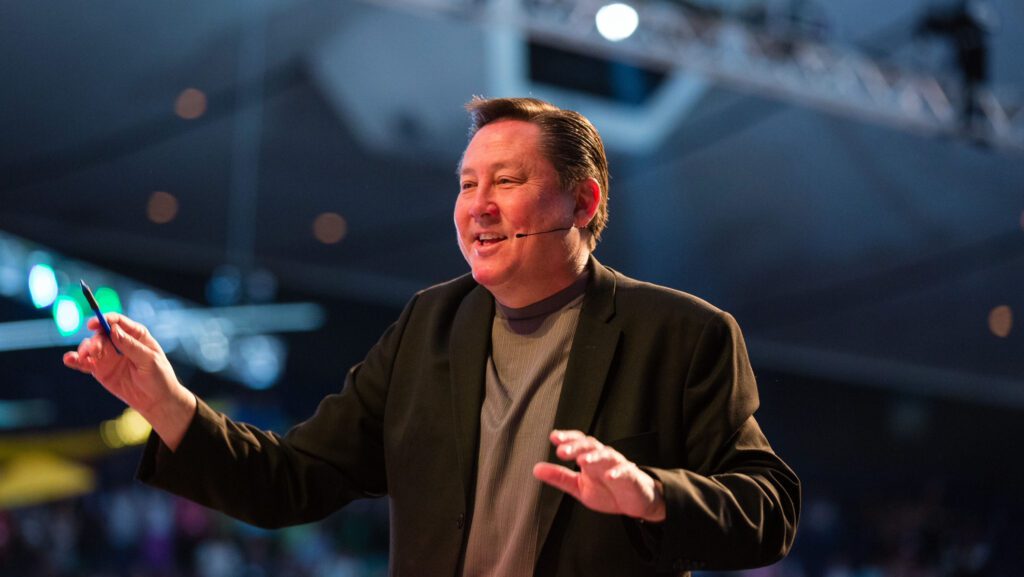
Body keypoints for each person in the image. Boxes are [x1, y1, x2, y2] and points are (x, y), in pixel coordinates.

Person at [64, 97, 800, 576]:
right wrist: (165, 401)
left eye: (505, 181)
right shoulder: (427, 326)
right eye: (465, 183)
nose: (477, 206)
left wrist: (653, 494)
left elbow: (769, 508)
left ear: (584, 201)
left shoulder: (682, 333)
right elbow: (290, 481)